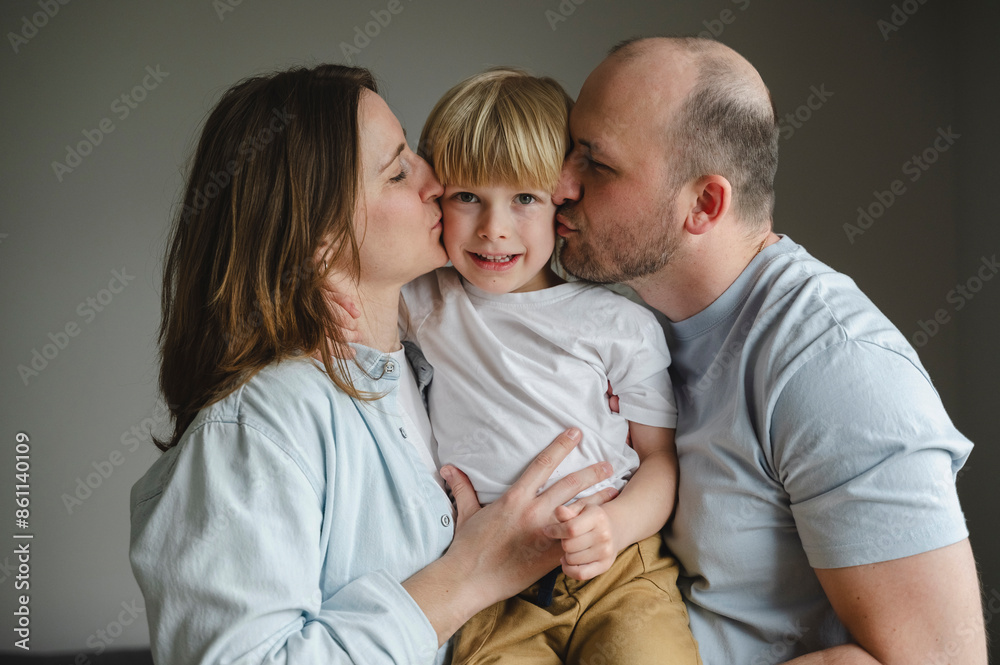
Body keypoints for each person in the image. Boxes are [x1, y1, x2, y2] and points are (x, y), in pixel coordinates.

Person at [128, 64, 619, 665]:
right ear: (321, 237)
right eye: (398, 171)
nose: (437, 180)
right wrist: (469, 575)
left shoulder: (427, 369)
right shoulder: (256, 428)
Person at [553, 36, 987, 664]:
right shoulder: (625, 331)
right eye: (571, 148)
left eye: (597, 163)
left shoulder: (837, 367)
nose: (560, 183)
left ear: (704, 204)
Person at [405, 68, 700, 663]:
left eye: (524, 198)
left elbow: (659, 461)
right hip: (496, 588)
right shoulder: (426, 299)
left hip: (618, 570)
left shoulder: (619, 324)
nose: (494, 229)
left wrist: (615, 527)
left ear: (562, 200)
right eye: (467, 196)